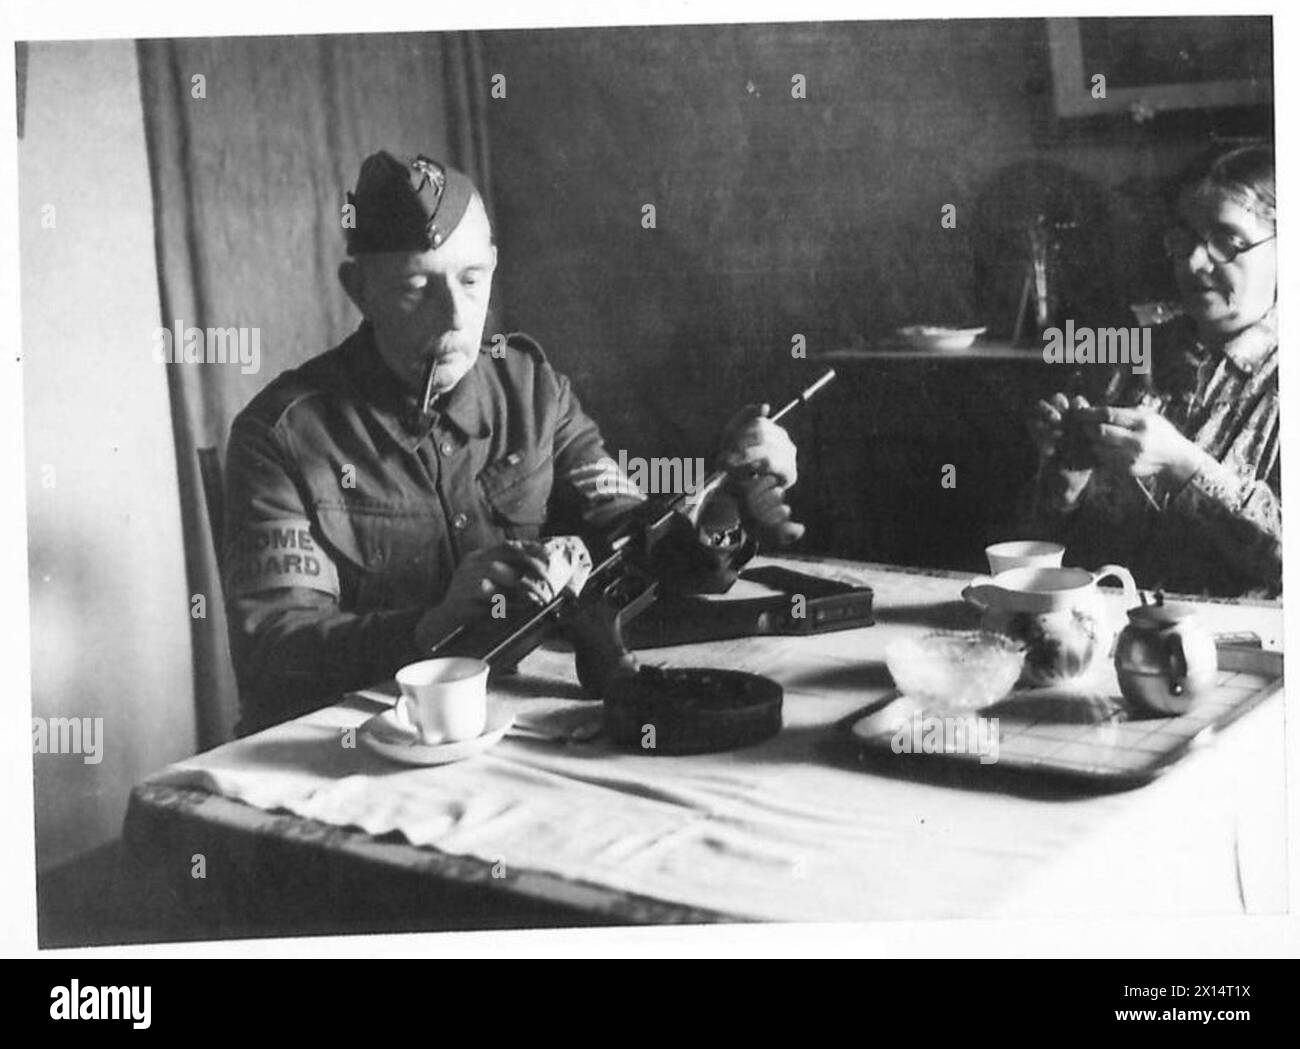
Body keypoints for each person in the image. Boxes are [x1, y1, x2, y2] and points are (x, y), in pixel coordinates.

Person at [222, 151, 803, 735]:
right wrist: (429, 628)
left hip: (510, 728)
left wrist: (720, 501)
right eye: (414, 286)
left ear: (493, 267)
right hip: (354, 746)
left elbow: (633, 537)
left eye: (471, 280)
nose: (453, 315)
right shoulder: (283, 437)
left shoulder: (532, 390)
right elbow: (273, 651)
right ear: (359, 288)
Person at [1019, 143, 1280, 598]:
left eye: (1226, 241)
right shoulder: (1127, 356)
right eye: (1184, 240)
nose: (1194, 262)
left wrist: (1183, 464)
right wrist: (1065, 479)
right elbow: (1059, 547)